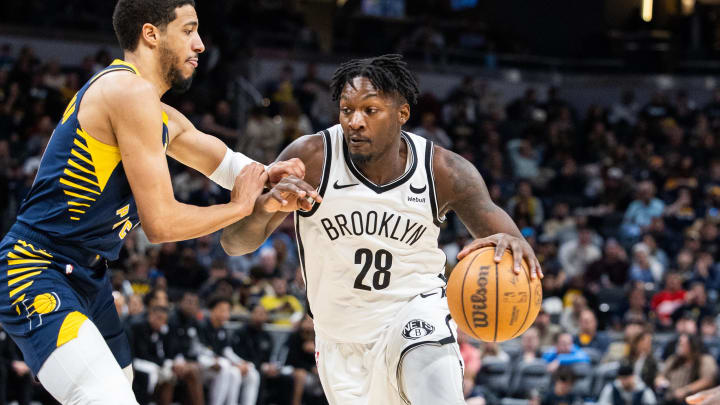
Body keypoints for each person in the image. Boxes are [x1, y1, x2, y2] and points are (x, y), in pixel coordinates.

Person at [0, 1, 306, 403]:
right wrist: (239, 207)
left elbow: (227, 164)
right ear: (151, 34)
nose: (199, 44)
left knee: (119, 389)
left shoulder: (160, 114)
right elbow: (160, 223)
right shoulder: (125, 91)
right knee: (105, 395)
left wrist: (275, 174)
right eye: (189, 30)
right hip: (36, 264)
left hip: (87, 275)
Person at [221, 54, 542, 405]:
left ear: (402, 114)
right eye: (347, 111)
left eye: (370, 110)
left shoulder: (444, 171)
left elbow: (509, 243)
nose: (355, 122)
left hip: (415, 313)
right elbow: (234, 244)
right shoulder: (312, 157)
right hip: (340, 341)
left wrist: (516, 247)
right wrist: (264, 206)